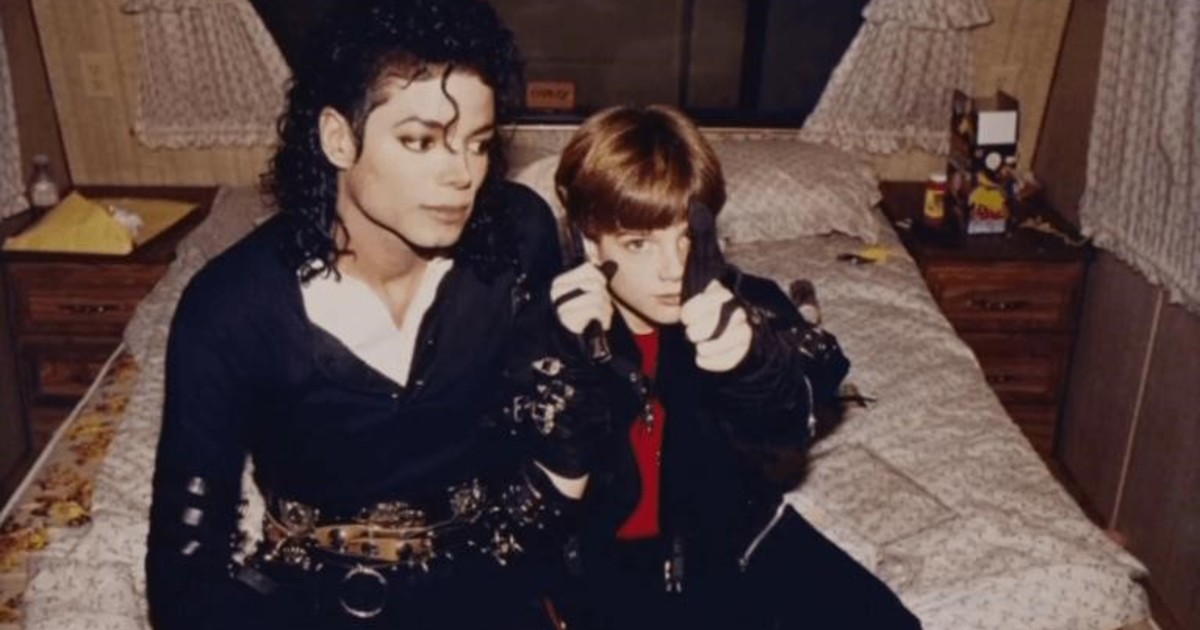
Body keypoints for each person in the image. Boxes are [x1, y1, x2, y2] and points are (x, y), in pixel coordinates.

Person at [145, 1, 600, 628]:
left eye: (478, 144)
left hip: (490, 588)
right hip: (313, 603)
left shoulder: (519, 240)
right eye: (420, 141)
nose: (462, 175)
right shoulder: (229, 308)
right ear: (339, 138)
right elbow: (185, 577)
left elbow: (555, 440)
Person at [547, 104, 923, 629]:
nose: (673, 268)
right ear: (590, 242)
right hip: (610, 580)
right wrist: (568, 358)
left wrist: (752, 363)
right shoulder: (544, 327)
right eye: (638, 243)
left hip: (737, 543)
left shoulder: (738, 302)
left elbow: (800, 397)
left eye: (686, 237)